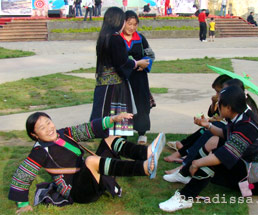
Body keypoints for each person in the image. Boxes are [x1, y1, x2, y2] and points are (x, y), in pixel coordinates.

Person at [8, 112, 166, 214]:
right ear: (34, 135)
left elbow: (86, 129)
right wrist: (22, 204)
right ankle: (144, 168)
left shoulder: (63, 133)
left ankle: (145, 153)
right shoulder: (39, 152)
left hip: (88, 177)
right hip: (78, 191)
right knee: (91, 161)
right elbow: (22, 175)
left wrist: (113, 119)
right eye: (42, 128)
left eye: (48, 122)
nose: (49, 128)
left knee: (109, 139)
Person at [159, 86, 258, 212]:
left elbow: (224, 156)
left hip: (254, 182)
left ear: (228, 108)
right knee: (213, 142)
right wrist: (208, 125)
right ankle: (184, 174)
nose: (217, 106)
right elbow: (225, 134)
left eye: (219, 104)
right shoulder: (242, 115)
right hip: (247, 165)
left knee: (212, 162)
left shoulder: (247, 126)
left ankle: (185, 198)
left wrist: (196, 163)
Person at [90, 7, 149, 138]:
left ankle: (110, 143)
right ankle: (115, 145)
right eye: (124, 21)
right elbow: (121, 63)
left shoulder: (103, 37)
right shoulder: (116, 39)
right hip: (115, 85)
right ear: (118, 21)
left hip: (103, 83)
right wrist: (137, 63)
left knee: (105, 115)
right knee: (117, 117)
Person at [164, 75, 231, 166]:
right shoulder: (222, 101)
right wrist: (214, 103)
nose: (216, 94)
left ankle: (186, 155)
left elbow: (227, 121)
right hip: (221, 129)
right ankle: (185, 151)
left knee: (206, 131)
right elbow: (212, 114)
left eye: (218, 92)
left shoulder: (231, 104)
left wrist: (217, 120)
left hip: (226, 135)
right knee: (205, 129)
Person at [120, 10, 155, 144]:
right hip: (123, 78)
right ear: (123, 23)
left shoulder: (140, 39)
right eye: (129, 24)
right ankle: (123, 134)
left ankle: (142, 132)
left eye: (135, 24)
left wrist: (145, 64)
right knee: (124, 105)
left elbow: (151, 55)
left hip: (139, 78)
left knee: (141, 104)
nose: (132, 27)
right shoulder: (117, 39)